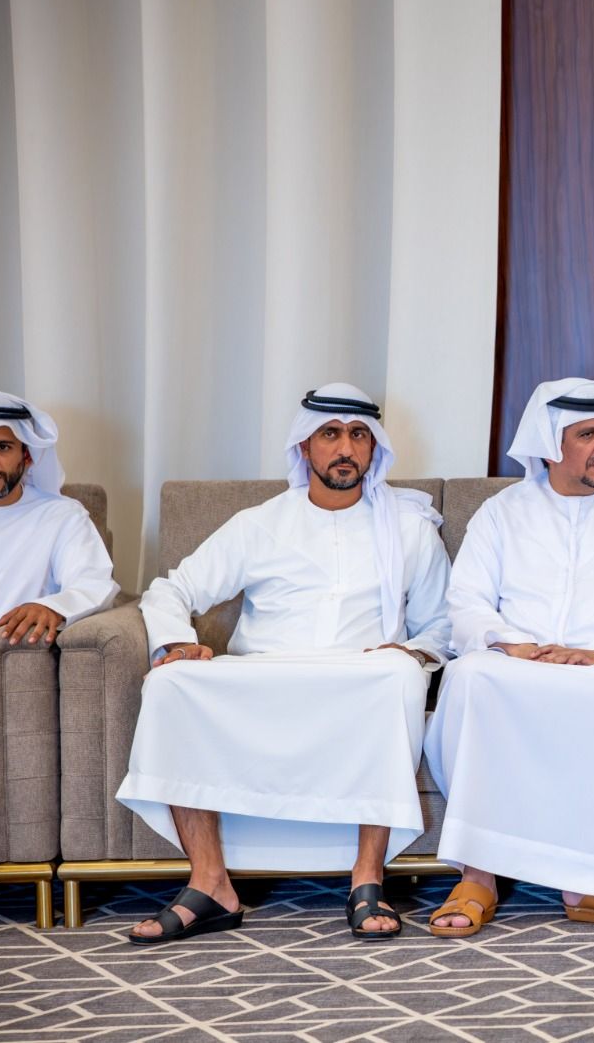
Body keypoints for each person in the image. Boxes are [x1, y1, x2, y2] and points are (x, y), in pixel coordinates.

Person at [117, 383, 451, 944]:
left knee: (399, 675)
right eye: (330, 434)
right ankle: (210, 884)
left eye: (359, 435)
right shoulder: (260, 523)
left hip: (360, 676)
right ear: (304, 447)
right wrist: (175, 643)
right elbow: (171, 589)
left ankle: (367, 877)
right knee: (169, 683)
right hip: (265, 674)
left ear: (374, 447)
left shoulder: (409, 528)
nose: (345, 448)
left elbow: (442, 624)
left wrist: (410, 651)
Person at [423, 378, 594, 936]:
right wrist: (510, 644)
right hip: (521, 660)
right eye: (589, 435)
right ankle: (478, 876)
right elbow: (466, 601)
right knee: (471, 677)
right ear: (549, 444)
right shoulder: (502, 513)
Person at [0, 392, 118, 645]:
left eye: (2, 447)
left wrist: (50, 607)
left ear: (27, 456)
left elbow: (92, 583)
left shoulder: (62, 517)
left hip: (7, 652)